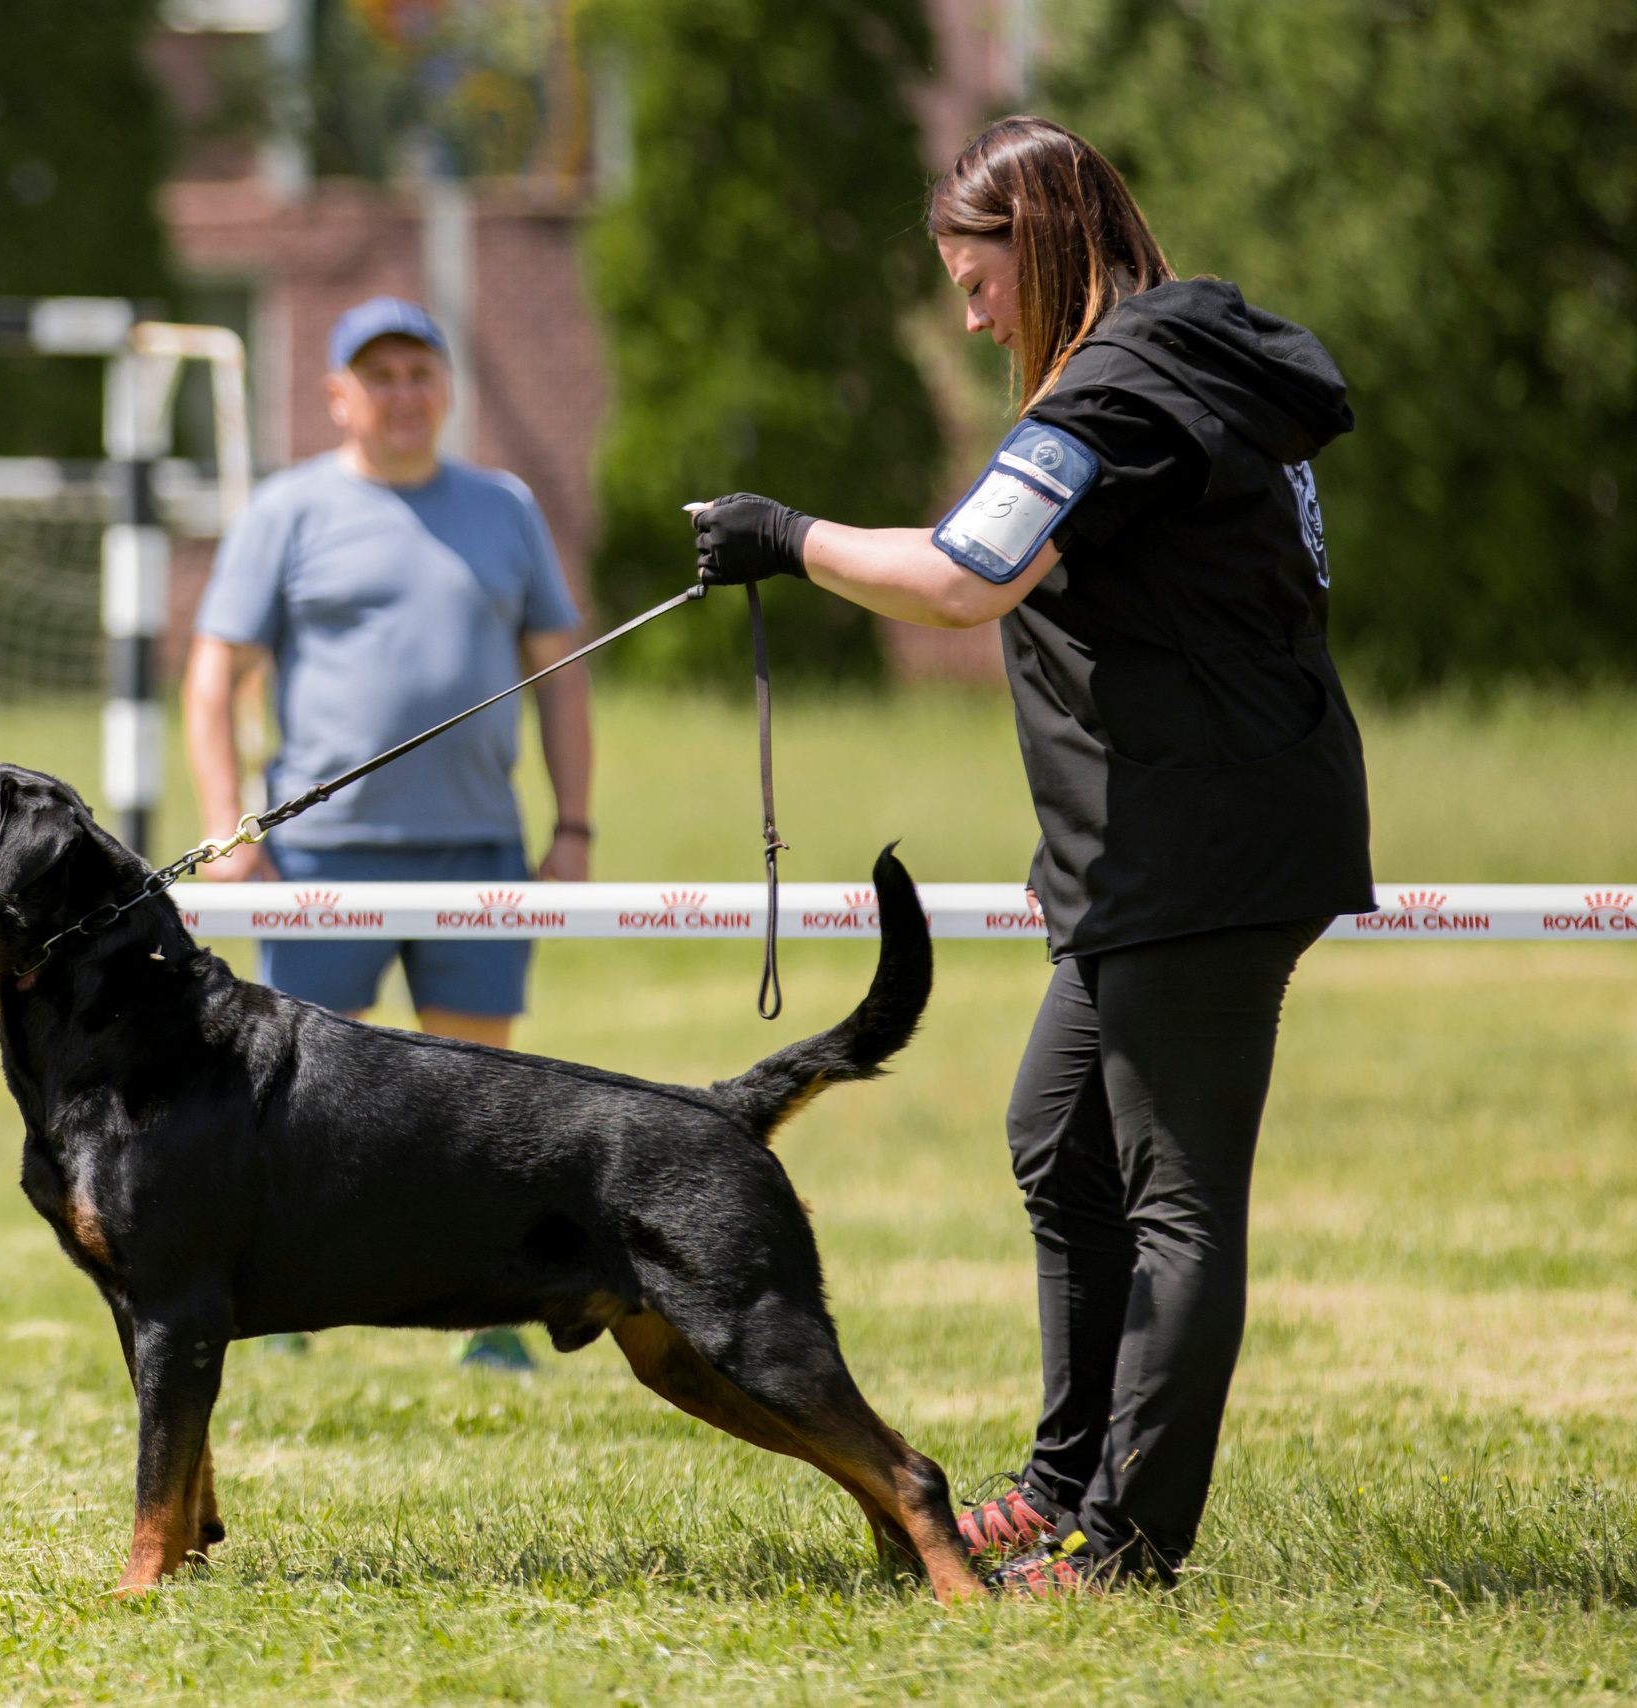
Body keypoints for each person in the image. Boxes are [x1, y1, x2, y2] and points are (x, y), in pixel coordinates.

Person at [690, 116, 1373, 1593]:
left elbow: (963, 580)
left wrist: (786, 537)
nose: (971, 315)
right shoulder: (1176, 375)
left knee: (1177, 1200)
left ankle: (1128, 1547)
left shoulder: (1119, 392)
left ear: (1045, 239)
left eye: (977, 278)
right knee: (1058, 1141)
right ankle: (1064, 1483)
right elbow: (1156, 618)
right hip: (1166, 833)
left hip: (1206, 847)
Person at [184, 296, 592, 1369]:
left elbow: (561, 675)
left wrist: (574, 825)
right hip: (321, 861)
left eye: (420, 372)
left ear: (445, 388)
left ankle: (496, 1321)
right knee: (297, 1109)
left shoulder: (505, 506)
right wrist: (228, 828)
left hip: (477, 850)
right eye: (379, 376)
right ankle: (279, 1315)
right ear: (337, 395)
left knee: (484, 1104)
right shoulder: (287, 510)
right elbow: (213, 676)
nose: (402, 394)